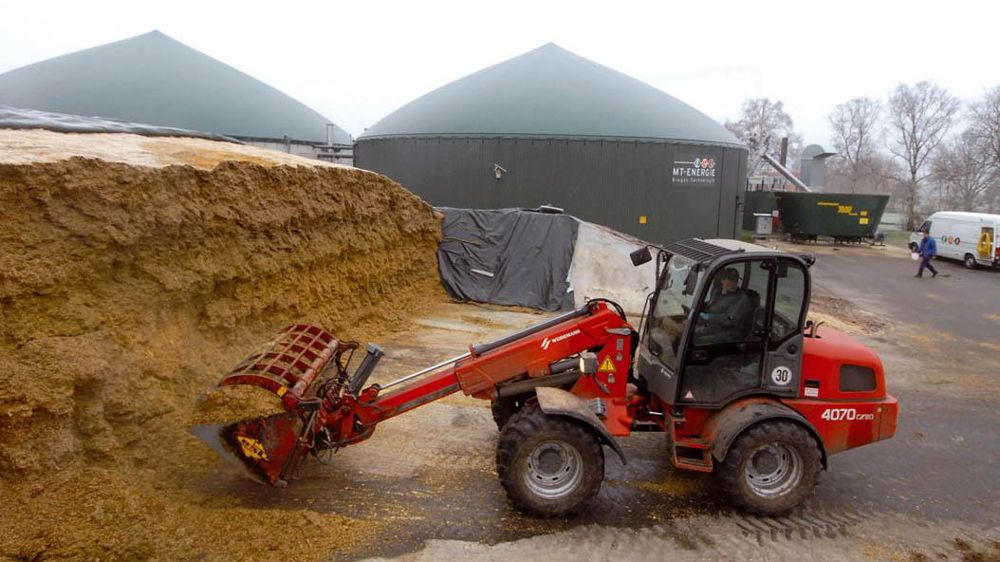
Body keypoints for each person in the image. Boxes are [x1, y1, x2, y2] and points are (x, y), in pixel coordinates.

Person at [696, 267, 753, 342]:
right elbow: (709, 307)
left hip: (728, 334)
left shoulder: (742, 299)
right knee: (686, 331)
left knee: (696, 340)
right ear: (722, 280)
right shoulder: (717, 293)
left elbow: (730, 320)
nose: (733, 283)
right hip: (712, 327)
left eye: (735, 280)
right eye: (730, 280)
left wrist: (709, 317)